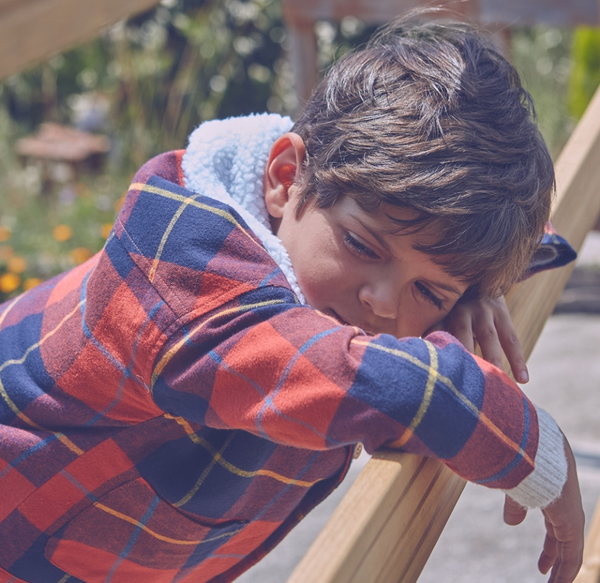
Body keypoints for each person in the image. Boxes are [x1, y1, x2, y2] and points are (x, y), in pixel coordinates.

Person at [0, 18, 584, 583]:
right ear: (284, 177)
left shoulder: (353, 259)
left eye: (427, 290)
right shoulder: (179, 279)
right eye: (360, 245)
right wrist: (530, 443)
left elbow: (467, 243)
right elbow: (354, 379)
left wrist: (478, 285)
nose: (381, 303)